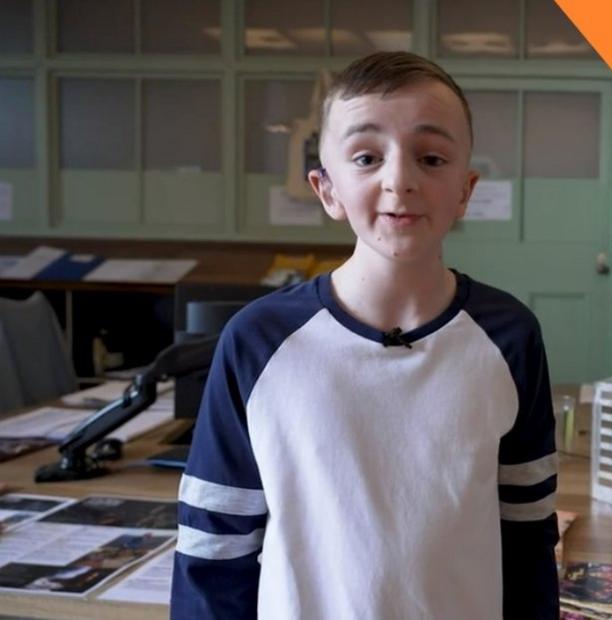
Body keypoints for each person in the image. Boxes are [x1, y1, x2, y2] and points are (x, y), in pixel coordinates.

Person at [171, 52, 559, 619]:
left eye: (431, 157)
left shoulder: (509, 337)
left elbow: (527, 538)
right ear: (326, 189)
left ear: (465, 190)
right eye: (366, 157)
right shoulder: (257, 341)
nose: (399, 180)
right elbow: (214, 550)